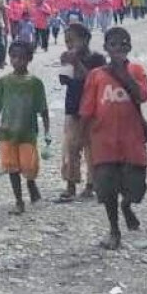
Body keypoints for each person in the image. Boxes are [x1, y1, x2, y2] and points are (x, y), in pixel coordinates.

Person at [80, 27, 147, 250]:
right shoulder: (96, 75)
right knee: (107, 188)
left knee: (136, 187)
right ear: (106, 48)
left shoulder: (137, 71)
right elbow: (87, 110)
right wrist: (80, 139)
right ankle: (114, 230)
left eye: (122, 44)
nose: (118, 48)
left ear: (129, 47)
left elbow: (142, 95)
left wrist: (124, 73)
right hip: (104, 141)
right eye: (113, 44)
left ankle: (127, 206)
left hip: (132, 141)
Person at [0, 41, 50, 215]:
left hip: (28, 133)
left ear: (29, 59)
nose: (17, 61)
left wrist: (47, 131)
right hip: (7, 131)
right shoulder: (4, 82)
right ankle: (19, 201)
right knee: (11, 167)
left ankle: (31, 183)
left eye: (21, 58)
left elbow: (43, 109)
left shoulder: (35, 83)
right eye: (13, 57)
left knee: (29, 166)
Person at [56, 23, 105, 203]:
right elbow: (64, 81)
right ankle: (70, 184)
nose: (69, 45)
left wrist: (77, 63)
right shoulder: (69, 58)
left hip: (93, 110)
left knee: (92, 149)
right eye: (66, 41)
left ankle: (91, 185)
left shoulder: (97, 59)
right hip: (73, 109)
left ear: (85, 40)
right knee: (70, 147)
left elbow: (93, 81)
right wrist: (66, 66)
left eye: (72, 40)